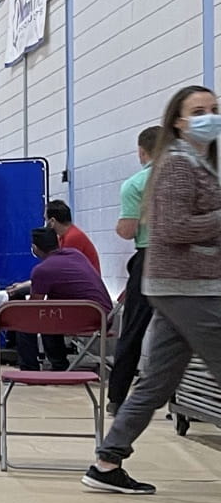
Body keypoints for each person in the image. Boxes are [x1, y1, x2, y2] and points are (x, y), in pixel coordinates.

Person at [87, 85, 221, 495]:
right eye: (198, 110)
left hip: (175, 284)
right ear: (178, 121)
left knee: (157, 381)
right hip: (188, 286)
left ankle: (107, 463)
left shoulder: (201, 162)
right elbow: (173, 228)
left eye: (214, 109)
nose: (209, 116)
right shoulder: (180, 164)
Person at [1, 227, 113, 371]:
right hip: (104, 316)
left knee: (25, 321)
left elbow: (34, 307)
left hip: (86, 320)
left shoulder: (42, 270)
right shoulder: (76, 255)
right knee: (50, 314)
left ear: (35, 248)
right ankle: (58, 364)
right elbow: (62, 279)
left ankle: (29, 368)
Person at [109, 127, 164, 412]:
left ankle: (117, 397)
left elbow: (128, 230)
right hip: (189, 261)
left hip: (151, 257)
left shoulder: (136, 183)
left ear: (141, 151)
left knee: (133, 330)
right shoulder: (189, 177)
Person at [45, 199, 101, 273]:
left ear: (52, 221)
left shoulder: (72, 238)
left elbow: (62, 269)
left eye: (45, 219)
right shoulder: (64, 237)